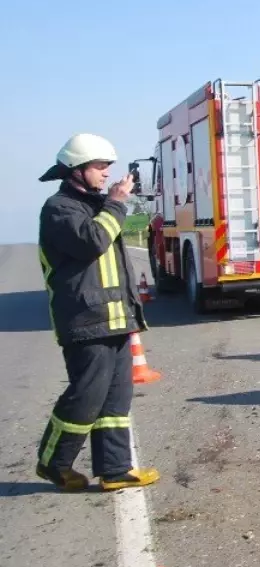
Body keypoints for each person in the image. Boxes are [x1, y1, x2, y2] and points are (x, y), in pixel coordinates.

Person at [33, 133, 160, 492]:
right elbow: (91, 241)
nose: (107, 174)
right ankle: (53, 462)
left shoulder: (96, 205)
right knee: (86, 396)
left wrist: (114, 203)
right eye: (100, 166)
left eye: (108, 167)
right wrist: (116, 204)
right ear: (77, 169)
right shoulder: (60, 209)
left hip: (116, 318)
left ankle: (116, 469)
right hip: (85, 320)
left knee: (116, 398)